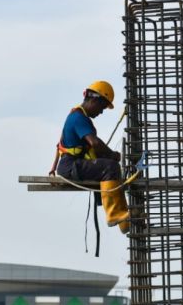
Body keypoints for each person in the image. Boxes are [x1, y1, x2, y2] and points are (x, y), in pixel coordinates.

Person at [51, 81, 131, 234]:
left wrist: (108, 156)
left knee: (110, 167)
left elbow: (94, 145)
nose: (101, 112)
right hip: (71, 166)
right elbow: (94, 143)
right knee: (110, 167)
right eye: (102, 107)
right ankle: (115, 215)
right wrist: (112, 155)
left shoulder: (78, 117)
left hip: (73, 164)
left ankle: (124, 222)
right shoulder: (78, 118)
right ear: (95, 100)